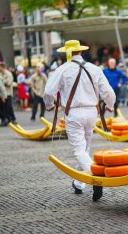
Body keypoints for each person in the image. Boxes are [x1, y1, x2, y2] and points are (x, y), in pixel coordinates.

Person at [43, 40, 115, 201]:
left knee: (79, 150)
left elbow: (48, 92)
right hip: (92, 112)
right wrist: (109, 106)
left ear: (67, 53)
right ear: (81, 52)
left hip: (74, 113)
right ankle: (79, 182)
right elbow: (108, 92)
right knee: (85, 148)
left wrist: (49, 105)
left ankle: (96, 178)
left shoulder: (62, 69)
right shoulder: (95, 69)